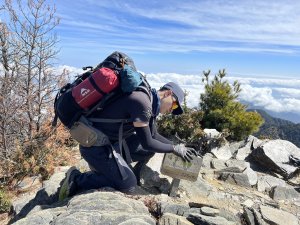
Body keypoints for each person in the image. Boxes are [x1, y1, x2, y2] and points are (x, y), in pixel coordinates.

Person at [59, 81, 197, 200]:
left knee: (146, 152)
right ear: (168, 93)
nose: (171, 111)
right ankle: (76, 179)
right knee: (129, 185)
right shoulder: (142, 102)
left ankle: (117, 169)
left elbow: (153, 135)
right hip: (95, 145)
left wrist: (177, 146)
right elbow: (148, 142)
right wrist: (174, 149)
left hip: (110, 142)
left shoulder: (149, 100)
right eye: (173, 105)